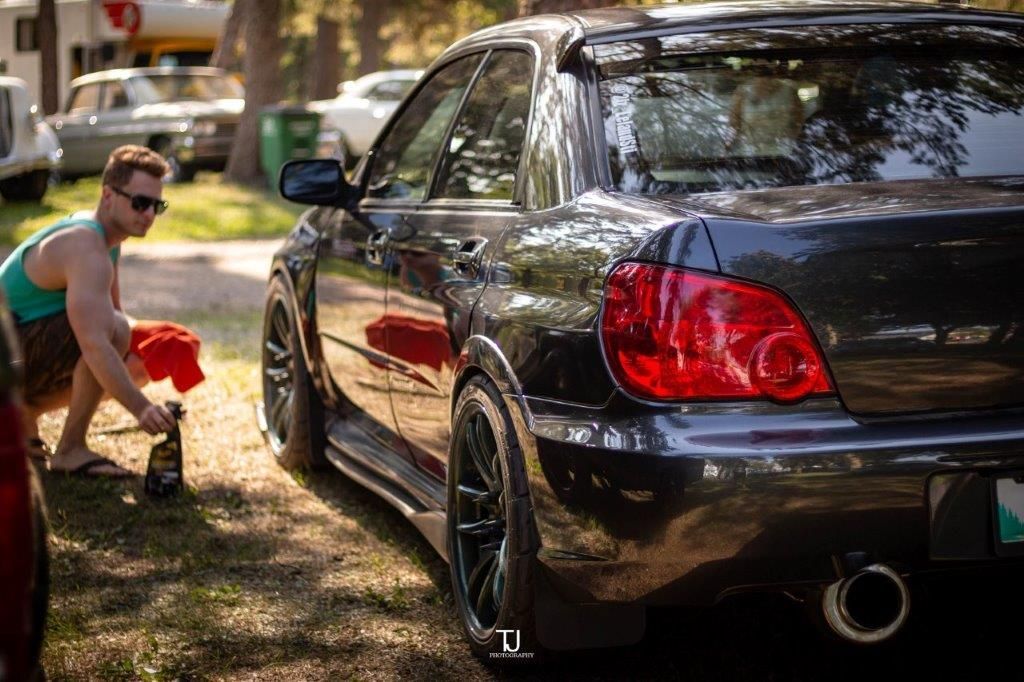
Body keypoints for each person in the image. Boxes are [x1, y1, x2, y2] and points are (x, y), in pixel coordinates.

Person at [0, 145, 179, 477]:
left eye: (157, 206)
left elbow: (112, 314)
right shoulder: (85, 246)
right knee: (114, 332)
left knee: (128, 350)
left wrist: (160, 340)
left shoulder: (107, 242)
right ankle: (70, 449)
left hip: (13, 351)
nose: (149, 215)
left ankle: (25, 420)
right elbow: (98, 342)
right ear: (108, 195)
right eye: (140, 202)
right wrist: (142, 409)